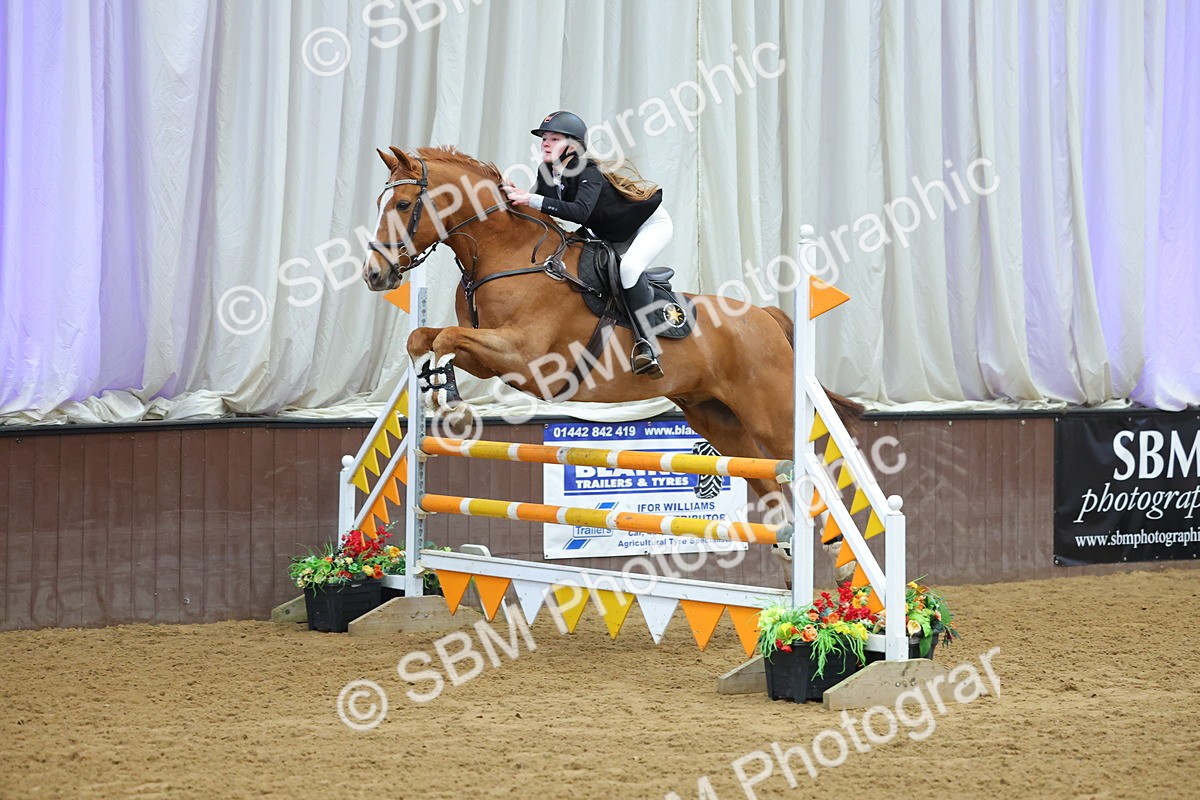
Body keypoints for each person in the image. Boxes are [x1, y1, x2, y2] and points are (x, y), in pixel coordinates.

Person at [502, 111, 673, 379]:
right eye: (544, 138)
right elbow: (539, 211)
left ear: (573, 146)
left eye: (554, 138)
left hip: (648, 226)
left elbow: (579, 212)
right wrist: (509, 196)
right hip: (610, 234)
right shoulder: (546, 170)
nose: (545, 143)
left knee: (628, 269)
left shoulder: (587, 170)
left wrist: (530, 198)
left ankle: (647, 345)